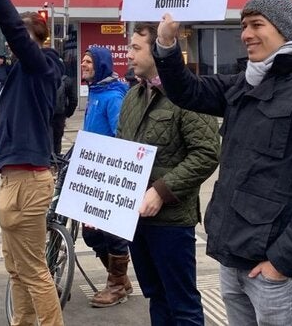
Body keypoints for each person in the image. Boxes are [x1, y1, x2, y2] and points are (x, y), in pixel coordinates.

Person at [153, 0, 292, 326]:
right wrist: (166, 42)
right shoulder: (244, 85)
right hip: (232, 258)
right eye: (244, 25)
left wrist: (281, 263)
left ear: (285, 30)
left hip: (275, 271)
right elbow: (187, 91)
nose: (246, 34)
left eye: (257, 24)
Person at [0, 0, 65, 326]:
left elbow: (12, 27)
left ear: (36, 41)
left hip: (28, 183)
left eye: (20, 39)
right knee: (15, 269)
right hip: (15, 177)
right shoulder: (20, 77)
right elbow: (23, 127)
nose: (11, 44)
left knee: (33, 272)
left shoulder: (40, 67)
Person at [116, 23, 220, 323]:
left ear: (157, 52)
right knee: (155, 296)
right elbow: (121, 153)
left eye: (136, 48)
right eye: (129, 48)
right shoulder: (132, 97)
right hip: (136, 219)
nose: (129, 55)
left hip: (172, 222)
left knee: (182, 304)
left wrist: (160, 191)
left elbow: (207, 153)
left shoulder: (187, 95)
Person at [79, 46, 132, 307]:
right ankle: (120, 278)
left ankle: (117, 286)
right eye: (83, 60)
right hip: (91, 173)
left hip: (107, 175)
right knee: (90, 234)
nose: (83, 64)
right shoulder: (95, 93)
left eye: (88, 61)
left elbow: (119, 135)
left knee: (112, 233)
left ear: (100, 64)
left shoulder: (112, 97)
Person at [50, 72, 78, 156]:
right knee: (57, 140)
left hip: (46, 115)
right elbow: (74, 100)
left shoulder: (44, 77)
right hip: (59, 116)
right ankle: (56, 162)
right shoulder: (67, 81)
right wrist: (67, 113)